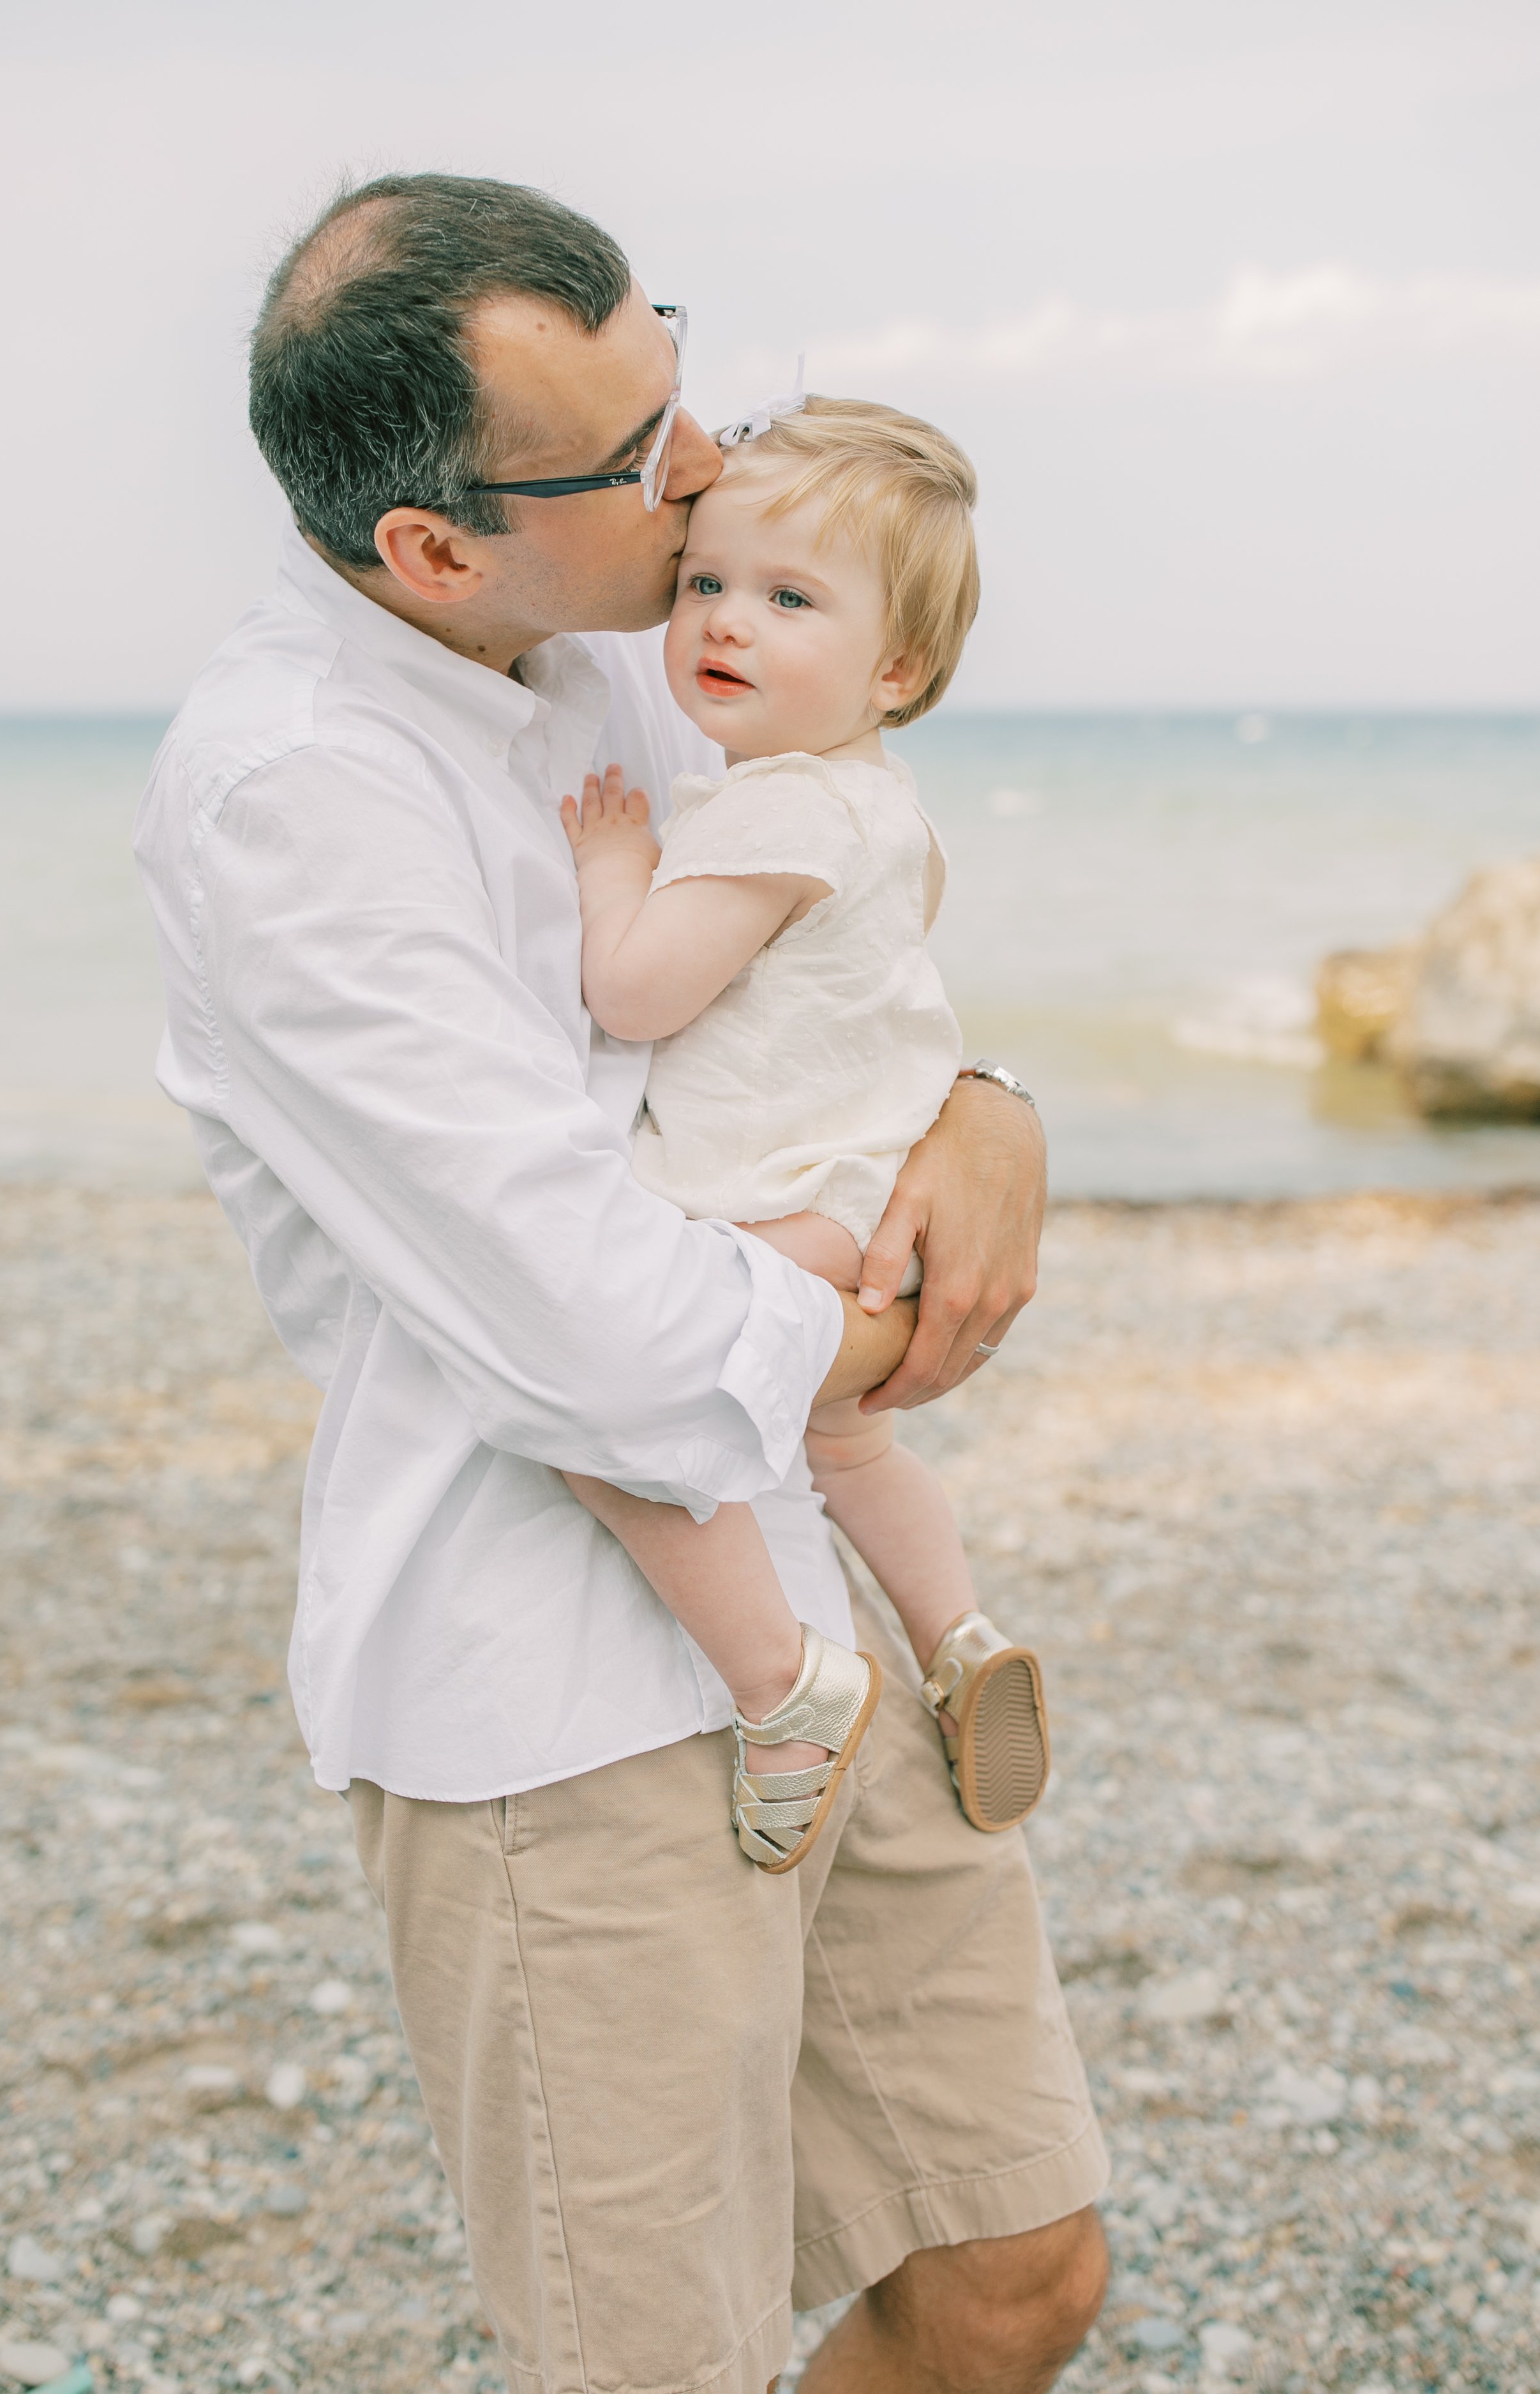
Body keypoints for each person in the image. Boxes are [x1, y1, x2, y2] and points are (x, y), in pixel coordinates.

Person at [134, 172, 1109, 2394]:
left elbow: (831, 953)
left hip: (794, 1614)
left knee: (1010, 2272)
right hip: (547, 1691)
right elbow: (572, 1310)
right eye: (637, 453)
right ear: (431, 549)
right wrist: (867, 1332)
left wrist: (992, 1112)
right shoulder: (295, 799)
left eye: (687, 390)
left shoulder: (630, 638)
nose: (702, 480)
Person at [558, 396, 1049, 1875]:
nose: (724, 622)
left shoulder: (762, 818)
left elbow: (637, 993)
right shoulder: (875, 806)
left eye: (788, 599)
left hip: (775, 1197)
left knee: (604, 1413)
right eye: (705, 581)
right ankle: (954, 1635)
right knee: (846, 1435)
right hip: (858, 1186)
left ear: (895, 666)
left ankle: (784, 1686)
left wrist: (610, 865)